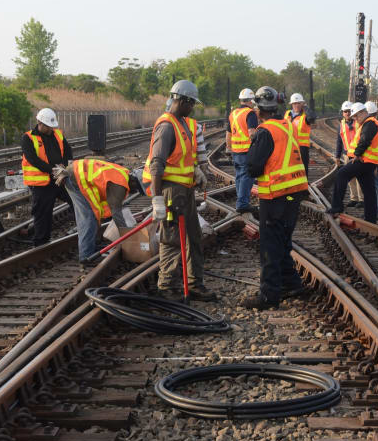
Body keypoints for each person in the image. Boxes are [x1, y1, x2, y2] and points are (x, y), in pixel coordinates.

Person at [142, 80, 215, 301]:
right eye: (191, 103)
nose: (192, 107)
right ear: (181, 100)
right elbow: (157, 165)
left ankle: (194, 283)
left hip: (184, 190)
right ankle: (167, 287)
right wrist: (157, 201)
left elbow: (182, 158)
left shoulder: (182, 123)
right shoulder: (166, 126)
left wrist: (195, 171)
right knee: (172, 238)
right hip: (170, 191)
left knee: (194, 236)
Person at [241, 86, 309, 310]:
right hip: (294, 192)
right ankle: (292, 283)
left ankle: (269, 295)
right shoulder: (286, 125)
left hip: (277, 194)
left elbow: (252, 166)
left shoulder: (265, 131)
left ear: (259, 110)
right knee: (282, 241)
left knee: (270, 245)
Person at [56, 159, 142, 265]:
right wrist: (126, 235)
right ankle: (86, 255)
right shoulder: (119, 185)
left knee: (91, 216)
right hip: (76, 179)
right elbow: (116, 212)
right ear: (134, 182)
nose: (135, 191)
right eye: (137, 188)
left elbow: (115, 205)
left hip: (76, 174)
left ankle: (90, 247)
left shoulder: (123, 174)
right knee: (88, 218)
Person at [20, 108, 73, 246]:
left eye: (52, 126)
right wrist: (53, 170)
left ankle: (83, 228)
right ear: (39, 123)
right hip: (41, 183)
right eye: (48, 127)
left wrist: (65, 167)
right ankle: (41, 242)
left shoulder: (57, 135)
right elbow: (33, 160)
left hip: (60, 178)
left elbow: (68, 151)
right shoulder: (28, 138)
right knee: (43, 212)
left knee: (78, 199)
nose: (51, 129)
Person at [327, 102, 378, 223]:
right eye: (354, 117)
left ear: (363, 112)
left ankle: (337, 207)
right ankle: (371, 218)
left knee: (341, 174)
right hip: (369, 162)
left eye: (356, 116)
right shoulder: (369, 123)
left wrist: (357, 155)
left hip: (364, 160)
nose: (355, 119)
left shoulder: (369, 123)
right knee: (369, 190)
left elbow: (365, 140)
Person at [226, 88, 259, 214]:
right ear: (251, 100)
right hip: (247, 151)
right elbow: (252, 133)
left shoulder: (233, 113)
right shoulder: (250, 113)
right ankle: (242, 204)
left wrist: (229, 148)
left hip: (236, 151)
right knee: (246, 177)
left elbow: (228, 134)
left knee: (239, 176)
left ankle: (241, 202)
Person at [334, 101, 362, 207]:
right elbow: (339, 141)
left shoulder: (358, 123)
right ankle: (353, 198)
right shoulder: (341, 125)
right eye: (345, 111)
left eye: (349, 111)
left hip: (357, 154)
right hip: (347, 154)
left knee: (359, 176)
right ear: (342, 113)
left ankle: (361, 199)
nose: (347, 113)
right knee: (350, 178)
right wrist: (337, 156)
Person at [284, 93, 317, 177]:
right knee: (289, 167)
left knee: (302, 167)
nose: (297, 105)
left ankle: (304, 185)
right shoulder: (287, 114)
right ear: (291, 104)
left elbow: (312, 117)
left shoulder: (305, 116)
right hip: (289, 145)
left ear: (302, 104)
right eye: (295, 103)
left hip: (302, 146)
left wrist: (305, 107)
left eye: (299, 103)